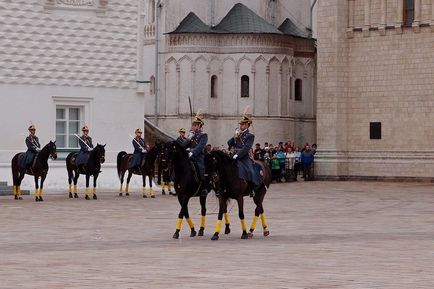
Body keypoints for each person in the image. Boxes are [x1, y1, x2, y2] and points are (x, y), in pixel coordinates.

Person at [227, 112, 261, 197]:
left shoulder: (250, 136)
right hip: (233, 155)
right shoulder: (238, 134)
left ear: (247, 125)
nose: (240, 126)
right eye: (240, 124)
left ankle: (252, 188)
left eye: (242, 124)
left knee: (250, 170)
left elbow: (246, 148)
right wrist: (234, 137)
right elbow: (229, 143)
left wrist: (238, 155)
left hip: (244, 156)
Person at [180, 112, 208, 196]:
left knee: (200, 168)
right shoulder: (191, 135)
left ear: (199, 126)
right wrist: (188, 138)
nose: (193, 126)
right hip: (188, 156)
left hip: (198, 156)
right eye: (193, 125)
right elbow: (183, 146)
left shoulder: (203, 135)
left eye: (195, 125)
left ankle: (204, 188)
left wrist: (192, 151)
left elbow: (200, 147)